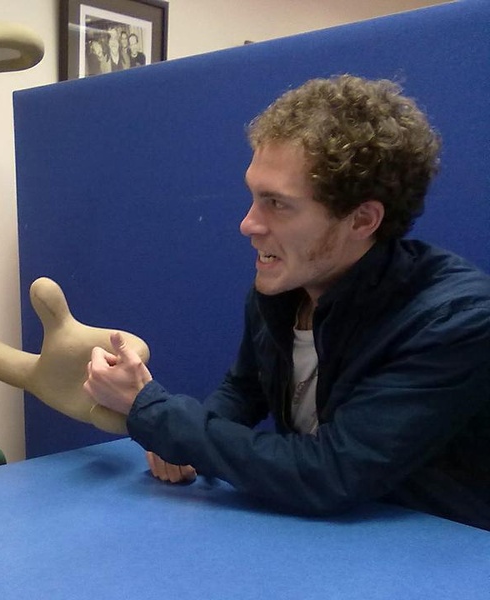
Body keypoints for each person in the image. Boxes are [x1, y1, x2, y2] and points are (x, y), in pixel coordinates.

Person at [83, 74, 490, 531]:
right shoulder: (283, 288)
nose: (248, 224)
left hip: (444, 552)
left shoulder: (454, 320)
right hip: (332, 542)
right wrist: (179, 440)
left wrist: (159, 415)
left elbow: (330, 473)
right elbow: (246, 387)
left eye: (277, 203)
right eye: (254, 196)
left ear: (362, 220)